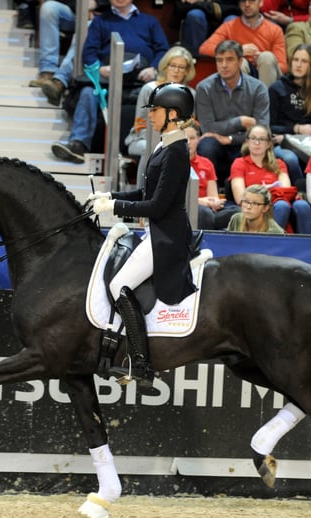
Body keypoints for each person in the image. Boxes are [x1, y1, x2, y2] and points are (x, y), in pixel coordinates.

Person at [89, 84, 197, 387]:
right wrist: (109, 195)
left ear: (172, 114)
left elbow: (157, 205)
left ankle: (141, 365)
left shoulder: (176, 151)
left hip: (168, 237)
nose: (150, 116)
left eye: (155, 110)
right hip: (156, 232)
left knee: (119, 285)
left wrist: (114, 206)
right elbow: (145, 192)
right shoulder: (164, 146)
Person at [50, 0, 169, 164]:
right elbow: (89, 52)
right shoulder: (101, 21)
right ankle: (78, 144)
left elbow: (163, 49)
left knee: (154, 94)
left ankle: (149, 147)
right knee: (87, 92)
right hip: (108, 75)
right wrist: (100, 69)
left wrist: (154, 69)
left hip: (140, 77)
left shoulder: (149, 21)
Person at [194, 40, 270, 188]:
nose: (224, 65)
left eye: (229, 59)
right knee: (206, 145)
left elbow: (262, 130)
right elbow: (208, 127)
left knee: (257, 143)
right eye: (219, 60)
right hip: (217, 143)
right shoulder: (204, 88)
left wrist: (230, 139)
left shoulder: (258, 88)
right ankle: (208, 192)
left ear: (240, 61)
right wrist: (240, 122)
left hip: (245, 142)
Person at [125, 46, 196, 185]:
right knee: (151, 148)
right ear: (165, 66)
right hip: (142, 138)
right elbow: (140, 124)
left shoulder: (190, 94)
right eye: (173, 65)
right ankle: (142, 192)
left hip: (175, 138)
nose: (176, 70)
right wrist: (160, 140)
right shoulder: (149, 89)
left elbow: (190, 123)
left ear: (187, 71)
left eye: (181, 67)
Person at [230, 124, 311, 234]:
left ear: (269, 143)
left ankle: (305, 247)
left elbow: (285, 189)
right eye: (253, 138)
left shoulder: (279, 163)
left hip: (276, 201)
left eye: (262, 139)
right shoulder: (239, 163)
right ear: (247, 141)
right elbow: (240, 197)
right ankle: (272, 244)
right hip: (255, 204)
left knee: (302, 205)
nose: (257, 143)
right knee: (282, 206)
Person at [268, 43, 311, 182]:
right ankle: (301, 188)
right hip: (284, 142)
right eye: (296, 60)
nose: (298, 65)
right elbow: (270, 126)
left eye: (304, 61)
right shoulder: (276, 88)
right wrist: (297, 128)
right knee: (290, 159)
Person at [198, 0, 288, 87]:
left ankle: (265, 101)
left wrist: (260, 60)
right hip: (243, 72)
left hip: (267, 75)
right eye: (243, 1)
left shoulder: (275, 30)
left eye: (252, 1)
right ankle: (241, 100)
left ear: (260, 3)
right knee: (240, 62)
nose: (247, 4)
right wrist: (236, 50)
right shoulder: (229, 26)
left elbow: (283, 67)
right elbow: (204, 48)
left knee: (266, 57)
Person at [184, 122, 234, 230]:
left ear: (198, 139)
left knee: (236, 212)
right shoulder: (172, 162)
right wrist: (201, 201)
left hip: (208, 207)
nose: (188, 142)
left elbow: (213, 196)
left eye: (192, 138)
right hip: (183, 207)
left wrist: (215, 202)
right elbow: (173, 198)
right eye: (184, 138)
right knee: (204, 213)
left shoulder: (206, 163)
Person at [174, 0, 240, 58]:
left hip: (228, 11)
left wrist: (209, 6)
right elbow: (180, 8)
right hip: (200, 14)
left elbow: (240, 8)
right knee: (195, 15)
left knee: (232, 20)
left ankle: (228, 60)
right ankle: (192, 59)